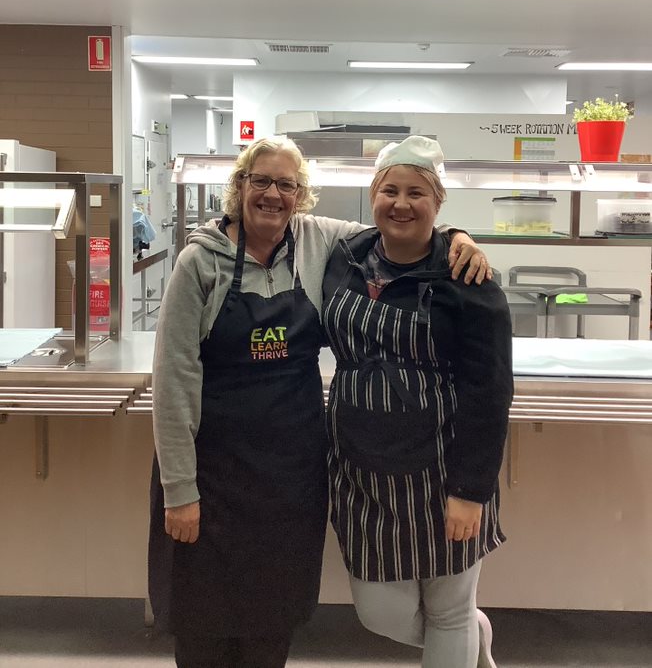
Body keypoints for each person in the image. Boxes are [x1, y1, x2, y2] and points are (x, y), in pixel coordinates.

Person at [149, 135, 491, 668]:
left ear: (301, 196)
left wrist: (457, 235)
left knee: (272, 622)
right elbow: (172, 380)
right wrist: (179, 490)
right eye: (260, 180)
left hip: (291, 477)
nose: (272, 194)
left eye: (286, 184)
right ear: (239, 187)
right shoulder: (200, 263)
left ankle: (464, 635)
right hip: (211, 475)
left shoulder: (320, 241)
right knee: (204, 625)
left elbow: (400, 227)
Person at [322, 135, 513, 668]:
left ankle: (463, 636)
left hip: (442, 470)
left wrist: (471, 490)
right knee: (379, 612)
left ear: (438, 202)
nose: (401, 203)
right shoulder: (346, 257)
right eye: (389, 190)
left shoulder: (468, 279)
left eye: (416, 192)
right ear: (372, 194)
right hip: (359, 472)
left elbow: (490, 391)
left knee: (449, 610)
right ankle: (474, 641)